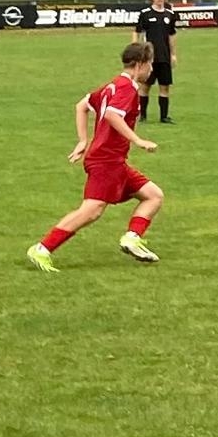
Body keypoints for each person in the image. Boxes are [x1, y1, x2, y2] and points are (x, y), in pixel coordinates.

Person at [27, 42, 164, 272]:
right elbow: (111, 115)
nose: (151, 69)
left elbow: (81, 106)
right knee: (91, 210)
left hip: (113, 160)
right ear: (140, 64)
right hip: (106, 161)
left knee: (153, 195)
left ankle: (132, 238)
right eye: (150, 64)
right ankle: (42, 248)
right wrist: (138, 140)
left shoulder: (113, 85)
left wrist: (83, 141)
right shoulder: (127, 88)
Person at [134, 0, 179, 123]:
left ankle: (164, 117)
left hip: (164, 57)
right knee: (145, 86)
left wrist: (173, 54)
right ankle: (142, 116)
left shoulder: (170, 14)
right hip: (149, 57)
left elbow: (171, 35)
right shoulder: (145, 13)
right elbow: (137, 32)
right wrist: (136, 50)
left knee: (164, 87)